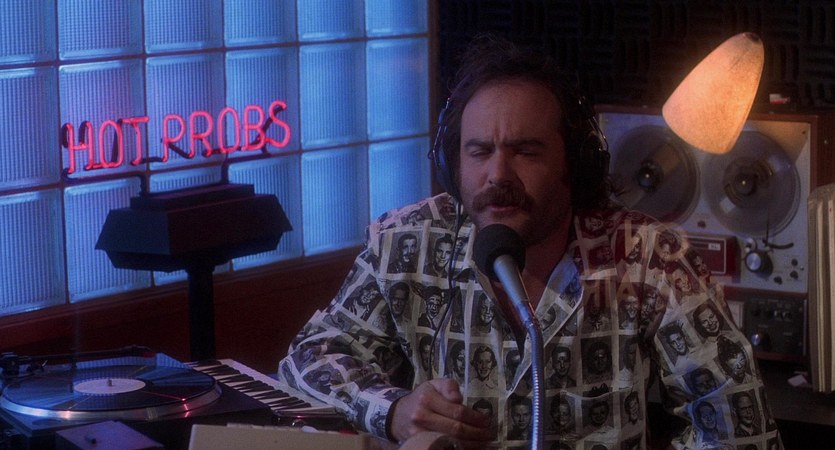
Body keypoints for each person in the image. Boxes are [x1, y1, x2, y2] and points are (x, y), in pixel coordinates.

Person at [278, 34, 779, 449]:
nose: (498, 174)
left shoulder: (649, 256)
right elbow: (307, 359)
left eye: (526, 151)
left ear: (574, 163)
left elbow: (740, 428)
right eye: (479, 151)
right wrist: (394, 411)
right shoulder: (406, 242)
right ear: (452, 164)